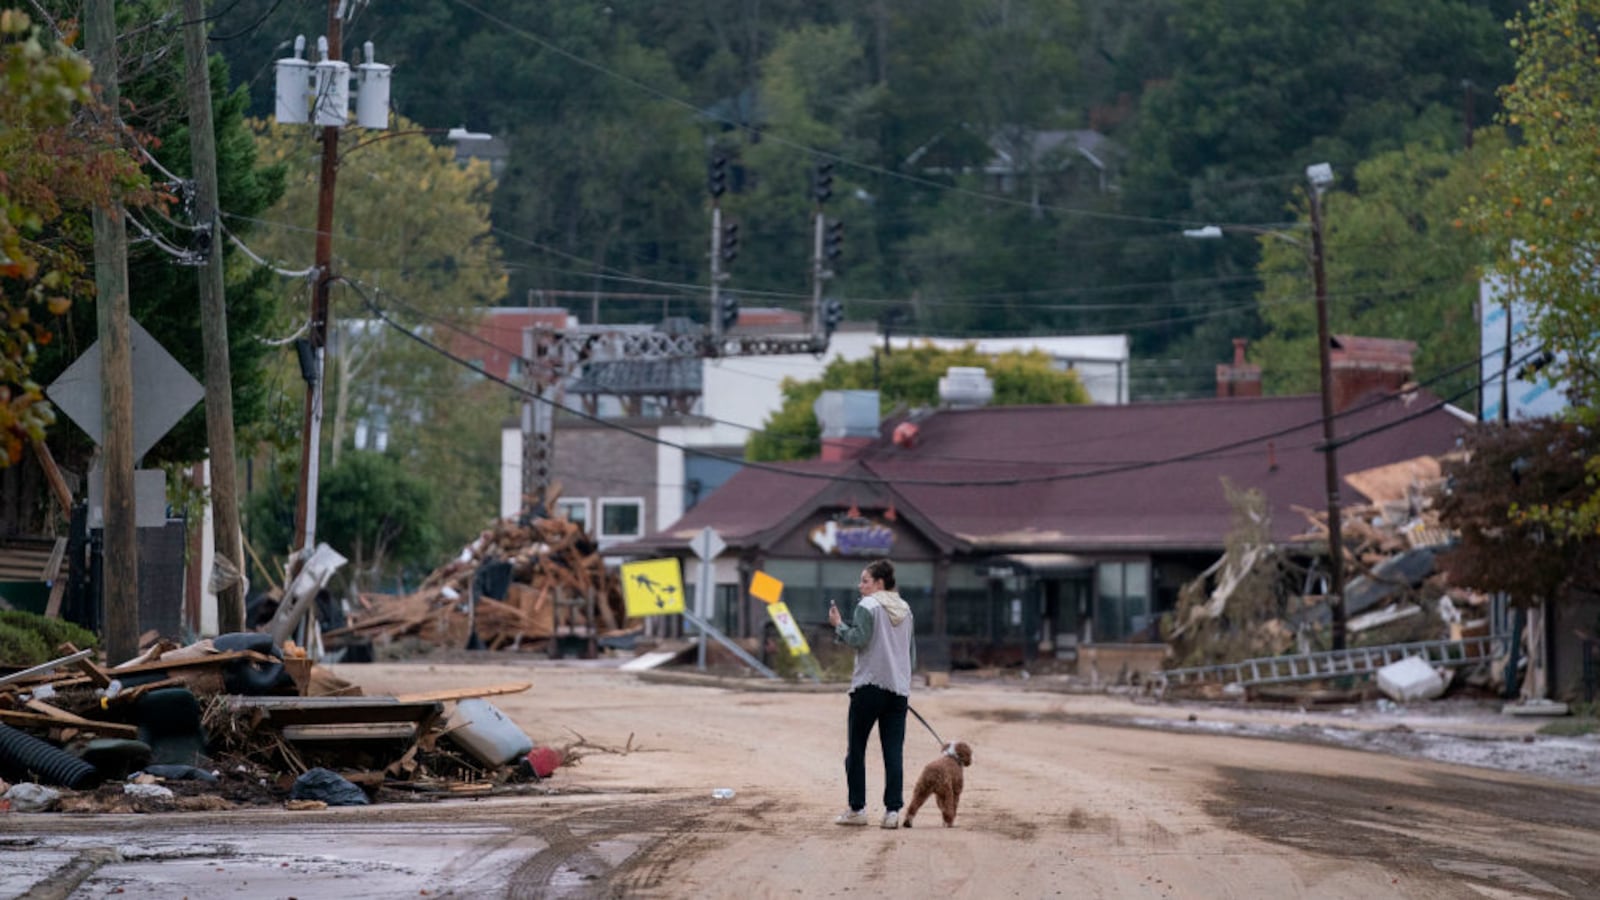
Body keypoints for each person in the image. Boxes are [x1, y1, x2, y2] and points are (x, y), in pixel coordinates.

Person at [828, 558, 916, 829]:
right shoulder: (906, 608)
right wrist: (901, 680)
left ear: (879, 583)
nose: (860, 585)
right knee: (893, 752)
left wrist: (838, 625)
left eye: (865, 580)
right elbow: (910, 653)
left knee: (856, 749)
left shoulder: (868, 605)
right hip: (898, 690)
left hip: (868, 687)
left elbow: (858, 639)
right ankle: (892, 812)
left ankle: (857, 809)